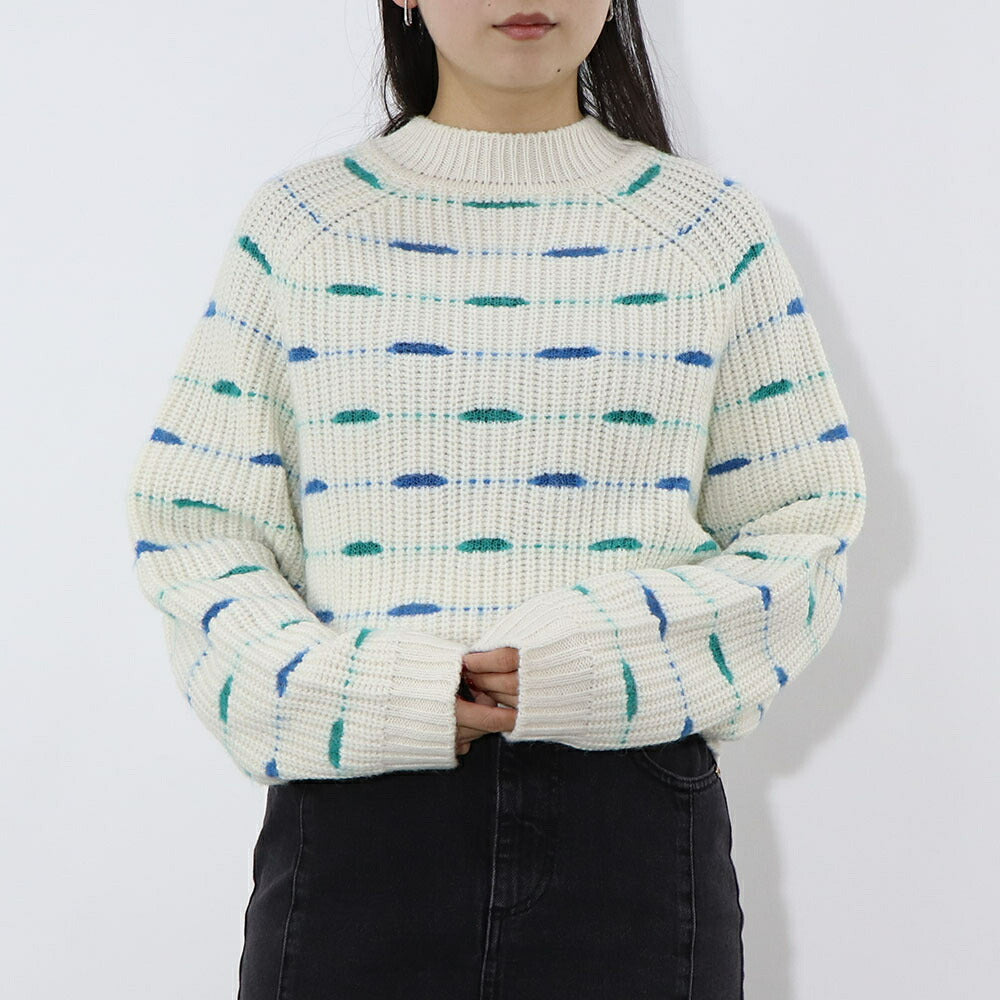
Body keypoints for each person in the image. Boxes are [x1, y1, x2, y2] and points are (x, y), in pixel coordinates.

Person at [124, 1, 867, 997]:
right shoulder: (302, 229)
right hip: (358, 833)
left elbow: (804, 529)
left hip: (631, 832)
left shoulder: (705, 231)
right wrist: (371, 695)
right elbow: (195, 533)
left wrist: (594, 658)